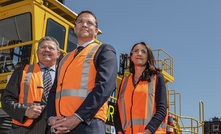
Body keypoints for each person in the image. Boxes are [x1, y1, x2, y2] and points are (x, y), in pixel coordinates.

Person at [47, 10, 118, 134]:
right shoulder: (64, 59)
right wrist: (51, 118)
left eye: (89, 23)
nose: (84, 25)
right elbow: (54, 91)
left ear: (96, 31)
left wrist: (78, 116)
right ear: (74, 28)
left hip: (88, 124)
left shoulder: (103, 51)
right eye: (80, 22)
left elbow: (105, 86)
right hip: (60, 126)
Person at [2, 36, 61, 134]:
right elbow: (6, 101)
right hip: (25, 130)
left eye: (51, 48)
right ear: (37, 52)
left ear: (58, 54)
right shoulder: (21, 71)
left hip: (56, 130)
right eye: (42, 47)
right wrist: (25, 111)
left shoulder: (65, 74)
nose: (46, 50)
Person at [114, 42, 167, 134]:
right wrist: (119, 131)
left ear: (148, 57)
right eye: (136, 51)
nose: (139, 53)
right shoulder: (124, 81)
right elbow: (117, 111)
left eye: (143, 52)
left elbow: (162, 109)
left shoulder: (157, 77)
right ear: (131, 56)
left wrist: (147, 132)